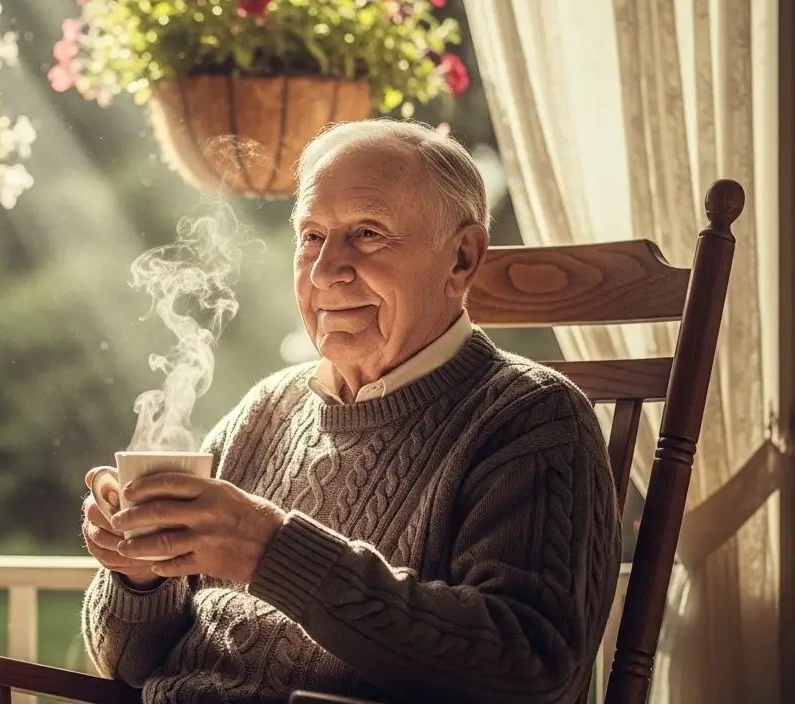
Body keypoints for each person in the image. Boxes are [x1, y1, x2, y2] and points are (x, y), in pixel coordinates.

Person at [79, 119, 622, 703]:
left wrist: (271, 550)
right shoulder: (266, 410)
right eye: (312, 237)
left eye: (366, 233)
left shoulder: (533, 419)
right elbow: (131, 665)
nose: (324, 271)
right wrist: (136, 576)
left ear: (462, 258)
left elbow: (531, 672)